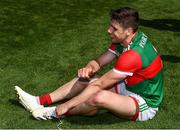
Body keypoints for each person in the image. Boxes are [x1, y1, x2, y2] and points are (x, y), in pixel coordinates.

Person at [15, 7, 164, 121]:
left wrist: (67, 105)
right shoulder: (127, 40)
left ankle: (52, 113)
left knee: (98, 97)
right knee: (87, 79)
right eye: (110, 25)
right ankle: (38, 101)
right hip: (128, 85)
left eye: (114, 28)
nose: (109, 30)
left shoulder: (133, 54)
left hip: (145, 101)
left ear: (128, 31)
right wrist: (89, 68)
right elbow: (99, 61)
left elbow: (99, 86)